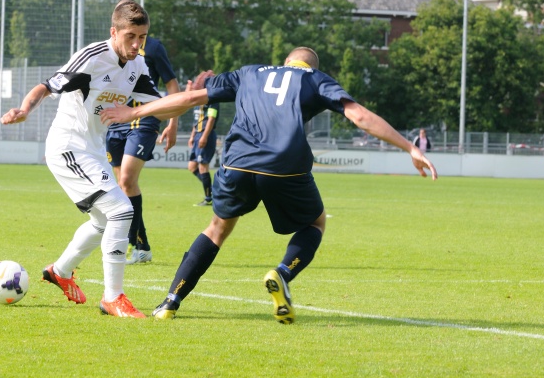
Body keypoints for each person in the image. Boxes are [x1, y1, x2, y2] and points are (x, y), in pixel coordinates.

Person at [100, 46, 438, 323]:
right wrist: (409, 146)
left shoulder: (249, 73)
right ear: (309, 65)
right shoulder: (316, 79)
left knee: (218, 227)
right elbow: (359, 116)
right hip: (284, 166)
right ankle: (282, 273)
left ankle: (171, 301)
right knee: (315, 223)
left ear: (287, 61)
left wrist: (134, 113)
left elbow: (190, 99)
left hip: (236, 163)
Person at [1, 0, 161, 319]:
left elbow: (158, 103)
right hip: (68, 146)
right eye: (130, 36)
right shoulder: (93, 58)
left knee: (104, 222)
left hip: (93, 150)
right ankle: (113, 297)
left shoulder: (137, 66)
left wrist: (179, 107)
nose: (136, 44)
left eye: (142, 37)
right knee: (121, 210)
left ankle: (60, 271)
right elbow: (47, 86)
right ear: (113, 32)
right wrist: (24, 109)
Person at [106, 30, 180, 265]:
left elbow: (171, 83)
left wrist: (173, 122)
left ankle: (130, 244)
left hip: (144, 117)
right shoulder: (112, 46)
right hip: (117, 119)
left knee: (127, 180)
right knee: (123, 187)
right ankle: (141, 246)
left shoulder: (155, 48)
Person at [188, 99, 219, 206]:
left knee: (203, 167)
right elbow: (196, 121)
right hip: (197, 135)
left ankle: (208, 198)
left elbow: (211, 119)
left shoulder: (212, 100)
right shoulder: (197, 101)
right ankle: (215, 190)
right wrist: (192, 136)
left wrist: (204, 136)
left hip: (206, 134)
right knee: (192, 166)